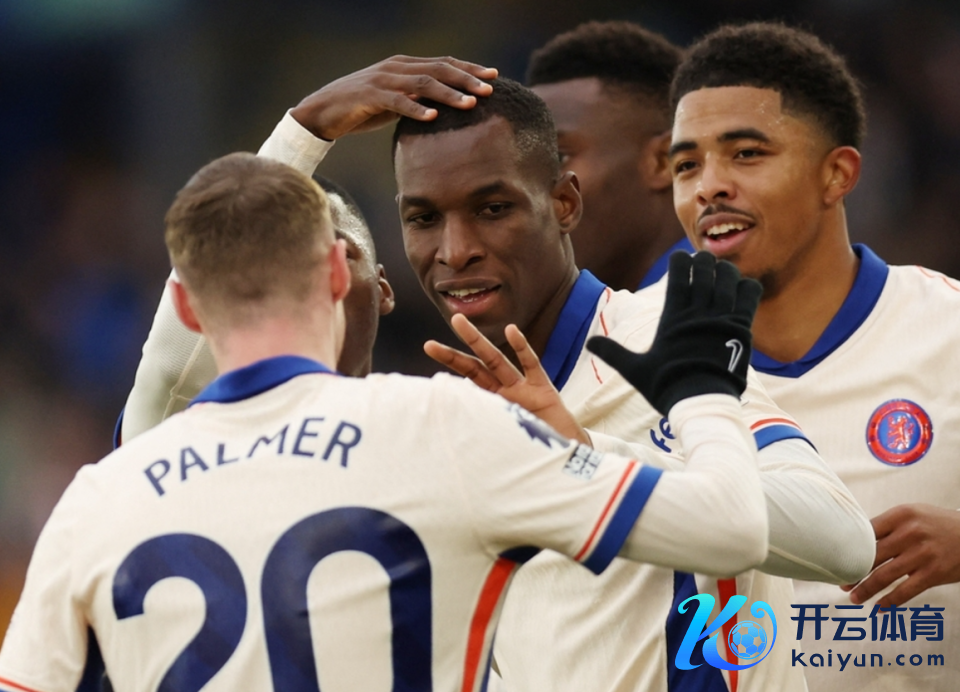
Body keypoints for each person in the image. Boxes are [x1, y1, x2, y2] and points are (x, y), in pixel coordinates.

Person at [0, 150, 775, 690]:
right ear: (340, 273)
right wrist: (703, 388)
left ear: (185, 307)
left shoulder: (95, 500)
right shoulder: (442, 426)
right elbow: (733, 528)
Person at [248, 66, 875, 691]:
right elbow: (208, 347)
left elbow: (842, 540)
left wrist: (585, 459)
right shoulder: (446, 421)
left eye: (493, 208)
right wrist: (302, 132)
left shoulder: (656, 337)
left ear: (564, 203)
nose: (455, 249)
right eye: (424, 218)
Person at [667, 21, 960, 690]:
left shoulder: (949, 331)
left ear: (837, 173)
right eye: (687, 165)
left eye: (746, 154)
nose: (709, 186)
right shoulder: (634, 368)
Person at [117, 173, 395, 443]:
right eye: (270, 267)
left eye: (335, 253)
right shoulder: (182, 447)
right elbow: (169, 374)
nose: (299, 283)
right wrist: (299, 145)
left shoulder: (416, 423)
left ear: (382, 289)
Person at [526, 20, 692, 291]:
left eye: (557, 158)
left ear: (665, 161)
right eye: (519, 164)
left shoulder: (737, 307)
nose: (522, 189)